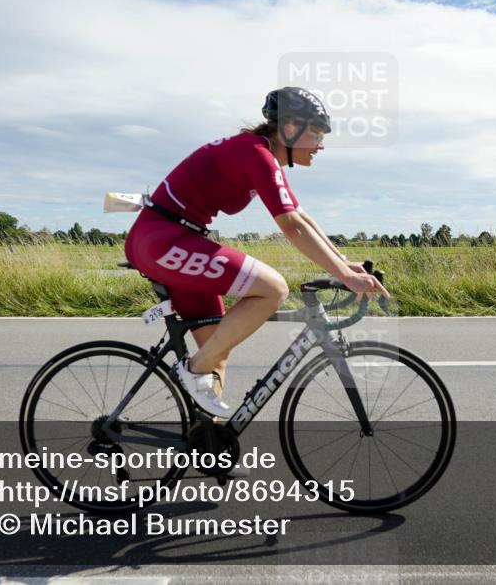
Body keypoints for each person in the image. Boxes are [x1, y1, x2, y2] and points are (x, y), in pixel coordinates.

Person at [125, 87, 389, 418]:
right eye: (318, 133)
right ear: (290, 129)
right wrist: (345, 276)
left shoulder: (263, 156)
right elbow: (290, 226)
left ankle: (208, 445)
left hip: (175, 239)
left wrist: (343, 263)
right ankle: (192, 370)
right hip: (162, 240)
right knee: (273, 289)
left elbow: (302, 216)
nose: (321, 145)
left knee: (217, 351)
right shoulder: (256, 154)